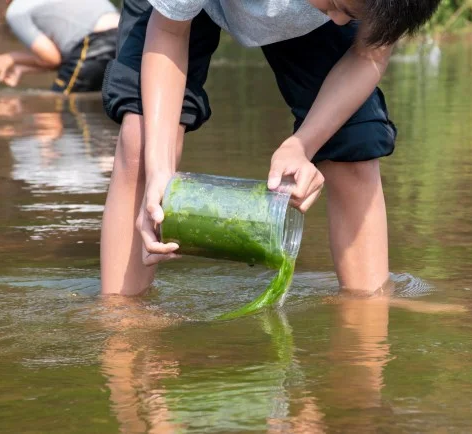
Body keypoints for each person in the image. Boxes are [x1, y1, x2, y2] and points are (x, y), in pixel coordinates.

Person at [100, 0, 441, 296]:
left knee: (354, 148)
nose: (340, 21)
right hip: (172, 20)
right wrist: (160, 169)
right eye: (340, 7)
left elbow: (368, 54)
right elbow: (170, 32)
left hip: (309, 20)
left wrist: (302, 145)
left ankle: (367, 315)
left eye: (351, 17)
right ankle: (121, 322)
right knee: (140, 144)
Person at [0, 0, 119, 93]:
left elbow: (52, 58)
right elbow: (61, 61)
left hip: (94, 44)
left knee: (58, 104)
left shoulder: (16, 11)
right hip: (124, 39)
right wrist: (22, 68)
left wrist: (12, 57)